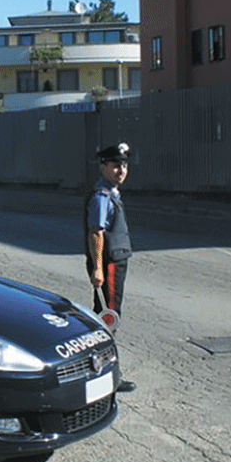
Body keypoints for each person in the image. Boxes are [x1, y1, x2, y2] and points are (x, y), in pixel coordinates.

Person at [85, 142, 136, 393]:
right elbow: (96, 233)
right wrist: (98, 268)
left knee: (104, 317)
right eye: (116, 165)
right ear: (103, 166)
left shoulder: (111, 193)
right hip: (110, 264)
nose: (121, 170)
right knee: (109, 319)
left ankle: (97, 370)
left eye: (124, 165)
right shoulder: (101, 197)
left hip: (115, 262)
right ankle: (108, 376)